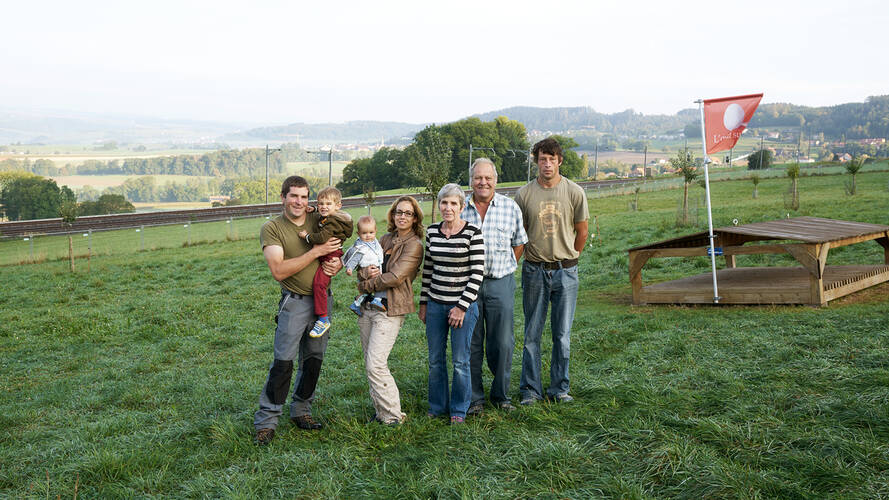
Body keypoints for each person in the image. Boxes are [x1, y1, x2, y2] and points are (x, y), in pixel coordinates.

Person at [253, 176, 343, 445]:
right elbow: (278, 270)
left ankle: (301, 410)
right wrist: (316, 252)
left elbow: (337, 246)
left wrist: (336, 264)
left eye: (304, 197)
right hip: (294, 303)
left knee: (313, 361)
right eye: (294, 196)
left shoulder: (318, 218)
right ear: (283, 197)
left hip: (322, 302)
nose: (299, 202)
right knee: (283, 363)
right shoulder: (272, 229)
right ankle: (267, 422)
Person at [514, 138, 589, 405]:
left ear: (560, 161)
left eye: (552, 159)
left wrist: (571, 257)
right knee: (532, 334)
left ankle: (559, 388)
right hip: (534, 271)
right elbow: (518, 236)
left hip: (565, 272)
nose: (547, 164)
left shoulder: (574, 192)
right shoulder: (524, 195)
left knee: (562, 335)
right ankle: (530, 391)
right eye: (542, 159)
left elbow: (582, 231)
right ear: (536, 161)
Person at [461, 158, 528, 415]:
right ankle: (475, 398)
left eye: (488, 178)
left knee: (502, 342)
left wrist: (504, 267)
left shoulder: (510, 208)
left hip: (500, 282)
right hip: (468, 286)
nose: (483, 182)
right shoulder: (461, 209)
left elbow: (519, 244)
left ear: (495, 180)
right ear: (471, 180)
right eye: (478, 177)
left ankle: (500, 395)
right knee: (471, 341)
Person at [354, 197, 425, 425]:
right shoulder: (382, 239)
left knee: (376, 363)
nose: (402, 216)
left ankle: (394, 416)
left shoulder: (414, 245)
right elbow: (362, 267)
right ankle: (381, 413)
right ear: (393, 215)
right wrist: (365, 275)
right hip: (368, 307)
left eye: (408, 213)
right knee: (369, 362)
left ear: (415, 219)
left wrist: (365, 284)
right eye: (398, 212)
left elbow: (395, 277)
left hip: (390, 309)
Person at [418, 183, 484, 424]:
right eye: (444, 203)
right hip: (435, 304)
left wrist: (461, 307)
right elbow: (428, 270)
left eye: (453, 203)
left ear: (462, 206)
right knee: (435, 359)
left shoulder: (472, 233)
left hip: (462, 308)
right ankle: (437, 406)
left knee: (460, 361)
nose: (448, 207)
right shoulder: (432, 232)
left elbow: (477, 274)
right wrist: (424, 303)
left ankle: (459, 409)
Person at [297, 186, 353, 338]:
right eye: (320, 203)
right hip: (327, 252)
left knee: (319, 284)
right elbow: (324, 213)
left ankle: (323, 318)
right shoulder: (333, 217)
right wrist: (313, 209)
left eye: (328, 204)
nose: (323, 207)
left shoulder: (332, 223)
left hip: (330, 255)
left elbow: (321, 238)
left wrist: (306, 236)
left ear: (338, 206)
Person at [344, 215, 387, 316]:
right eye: (364, 233)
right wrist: (349, 268)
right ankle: (377, 300)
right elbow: (354, 258)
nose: (368, 235)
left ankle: (356, 304)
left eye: (371, 232)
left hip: (375, 268)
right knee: (380, 284)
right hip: (366, 271)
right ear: (358, 234)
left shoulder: (375, 242)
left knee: (367, 291)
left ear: (375, 231)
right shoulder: (360, 247)